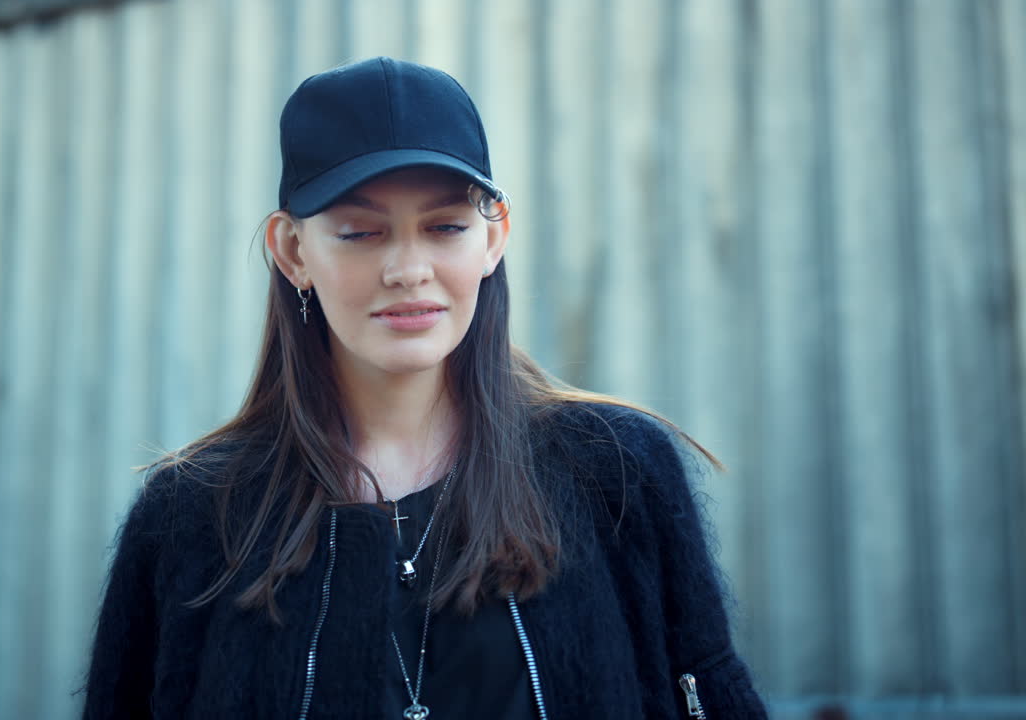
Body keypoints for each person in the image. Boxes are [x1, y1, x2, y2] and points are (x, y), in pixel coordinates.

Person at [81, 56, 767, 719]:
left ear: (494, 238)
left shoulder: (619, 471)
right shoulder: (192, 514)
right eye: (360, 233)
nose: (408, 269)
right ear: (293, 251)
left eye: (445, 227)